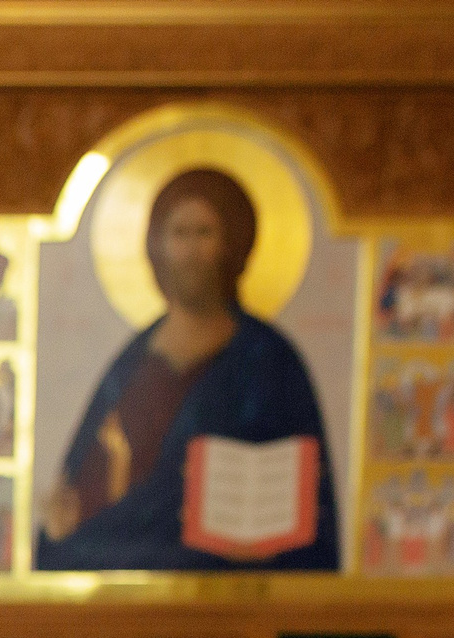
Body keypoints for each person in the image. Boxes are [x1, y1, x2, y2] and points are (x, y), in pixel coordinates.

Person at [38, 167, 340, 571]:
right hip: (124, 567)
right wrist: (63, 518)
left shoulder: (269, 359)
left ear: (231, 245)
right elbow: (83, 480)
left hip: (233, 579)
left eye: (204, 233)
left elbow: (309, 503)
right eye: (179, 234)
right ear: (157, 246)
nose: (191, 251)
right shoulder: (134, 360)